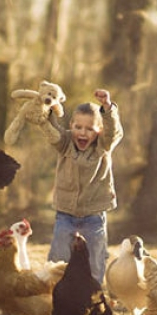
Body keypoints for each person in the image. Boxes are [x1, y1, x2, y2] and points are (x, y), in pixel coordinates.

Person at [34, 89, 123, 284]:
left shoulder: (103, 145)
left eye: (89, 128)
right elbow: (51, 131)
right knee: (59, 254)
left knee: (95, 257)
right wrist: (46, 110)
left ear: (99, 131)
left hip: (94, 215)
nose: (83, 132)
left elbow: (114, 131)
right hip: (65, 213)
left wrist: (107, 107)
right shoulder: (65, 142)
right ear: (71, 126)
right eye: (78, 127)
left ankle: (94, 294)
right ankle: (54, 290)